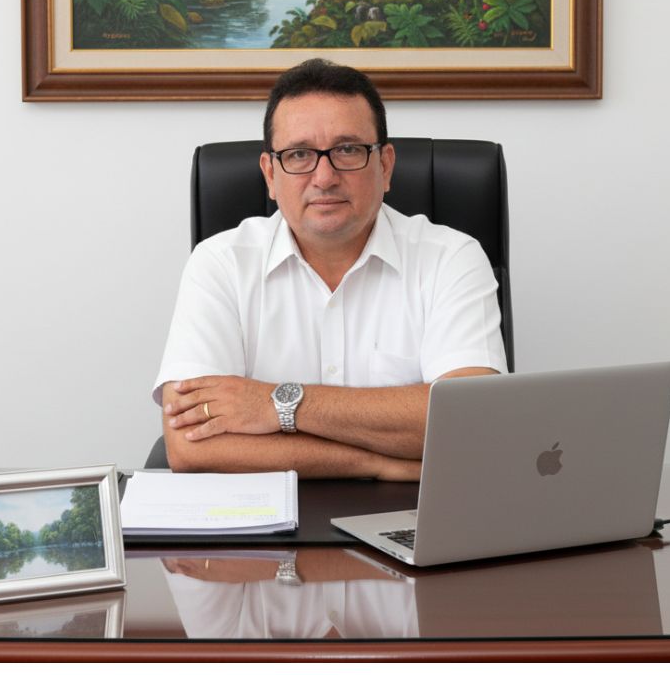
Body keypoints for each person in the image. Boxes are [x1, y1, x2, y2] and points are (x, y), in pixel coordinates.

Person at [152, 58, 506, 480]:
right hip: (268, 516)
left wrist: (276, 403)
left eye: (348, 150)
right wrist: (373, 463)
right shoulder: (220, 263)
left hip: (417, 510)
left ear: (385, 165)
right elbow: (190, 444)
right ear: (270, 174)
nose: (324, 177)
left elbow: (469, 424)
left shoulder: (452, 257)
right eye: (299, 154)